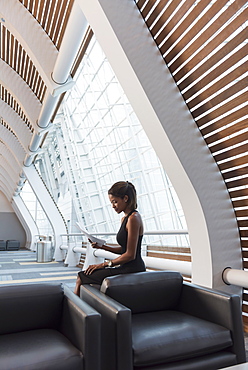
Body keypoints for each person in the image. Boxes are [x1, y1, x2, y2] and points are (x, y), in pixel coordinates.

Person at [74, 181, 146, 296]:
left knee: (82, 277)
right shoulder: (125, 219)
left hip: (132, 268)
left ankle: (74, 311)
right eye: (111, 202)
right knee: (84, 276)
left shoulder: (134, 218)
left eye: (115, 202)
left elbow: (130, 255)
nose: (113, 206)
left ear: (126, 198)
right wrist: (101, 246)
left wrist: (103, 264)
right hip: (124, 267)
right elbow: (123, 249)